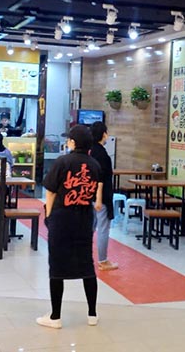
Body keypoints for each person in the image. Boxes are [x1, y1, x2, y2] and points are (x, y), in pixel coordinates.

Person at [37, 124, 103, 329]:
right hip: (84, 219)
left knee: (57, 266)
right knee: (87, 264)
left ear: (73, 142)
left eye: (69, 140)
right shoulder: (94, 165)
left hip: (62, 218)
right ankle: (92, 314)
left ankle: (55, 316)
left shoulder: (62, 162)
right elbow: (95, 192)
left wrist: (49, 216)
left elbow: (50, 191)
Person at [90, 122, 118, 271]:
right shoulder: (102, 155)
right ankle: (103, 260)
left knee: (90, 227)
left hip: (89, 196)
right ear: (103, 134)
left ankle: (84, 256)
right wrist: (99, 199)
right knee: (103, 229)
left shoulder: (89, 151)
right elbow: (101, 179)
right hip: (101, 197)